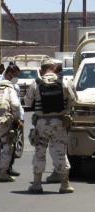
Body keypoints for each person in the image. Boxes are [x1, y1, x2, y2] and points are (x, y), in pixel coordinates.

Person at [24, 59, 74, 194]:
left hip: (41, 124)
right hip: (59, 123)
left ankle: (36, 184)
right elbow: (73, 100)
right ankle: (65, 184)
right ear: (54, 68)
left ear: (41, 70)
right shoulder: (64, 82)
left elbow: (28, 103)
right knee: (60, 153)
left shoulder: (36, 83)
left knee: (39, 153)